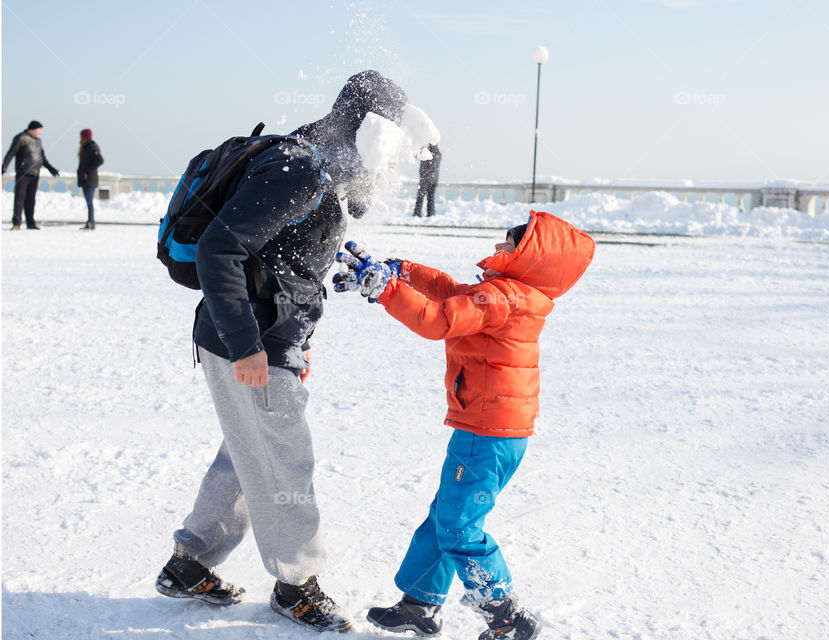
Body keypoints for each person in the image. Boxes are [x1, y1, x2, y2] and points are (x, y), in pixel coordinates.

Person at [154, 70, 410, 633]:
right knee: (285, 461)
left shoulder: (316, 163)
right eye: (390, 136)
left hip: (266, 340)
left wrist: (293, 344)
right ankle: (297, 585)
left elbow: (288, 265)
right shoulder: (299, 171)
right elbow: (220, 249)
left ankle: (190, 561)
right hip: (246, 343)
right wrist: (250, 349)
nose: (393, 157)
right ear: (366, 127)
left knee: (248, 453)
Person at [333, 210, 595, 640]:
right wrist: (404, 272)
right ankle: (420, 604)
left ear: (528, 259)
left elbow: (436, 321)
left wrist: (387, 290)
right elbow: (453, 293)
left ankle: (506, 615)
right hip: (493, 431)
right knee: (446, 517)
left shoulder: (503, 298)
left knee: (457, 526)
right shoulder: (511, 295)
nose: (497, 248)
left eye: (508, 244)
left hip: (485, 434)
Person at [2, 120, 59, 230]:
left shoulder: (38, 141)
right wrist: (4, 167)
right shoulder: (21, 138)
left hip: (35, 173)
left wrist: (50, 168)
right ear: (32, 130)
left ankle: (30, 222)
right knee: (19, 199)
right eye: (39, 131)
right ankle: (16, 223)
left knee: (31, 200)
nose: (40, 134)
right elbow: (11, 153)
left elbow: (42, 157)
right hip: (23, 173)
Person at [77, 129, 104, 231]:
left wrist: (87, 171)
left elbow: (100, 160)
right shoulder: (86, 147)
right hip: (85, 179)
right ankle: (90, 221)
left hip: (90, 179)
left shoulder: (92, 147)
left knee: (89, 202)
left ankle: (91, 222)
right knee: (88, 202)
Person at [413, 143, 440, 217]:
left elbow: (424, 167)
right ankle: (430, 214)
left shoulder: (427, 153)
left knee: (420, 197)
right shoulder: (437, 153)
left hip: (426, 179)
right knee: (430, 198)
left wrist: (423, 176)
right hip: (434, 179)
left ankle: (417, 213)